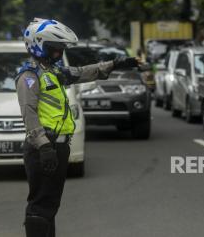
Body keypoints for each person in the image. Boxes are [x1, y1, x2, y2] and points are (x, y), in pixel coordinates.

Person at [16, 18, 140, 237]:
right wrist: (44, 147)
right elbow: (29, 114)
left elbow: (83, 72)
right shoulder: (30, 76)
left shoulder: (53, 72)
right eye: (55, 48)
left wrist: (115, 64)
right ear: (38, 45)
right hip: (44, 147)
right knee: (41, 204)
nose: (58, 52)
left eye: (60, 48)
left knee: (50, 205)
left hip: (59, 146)